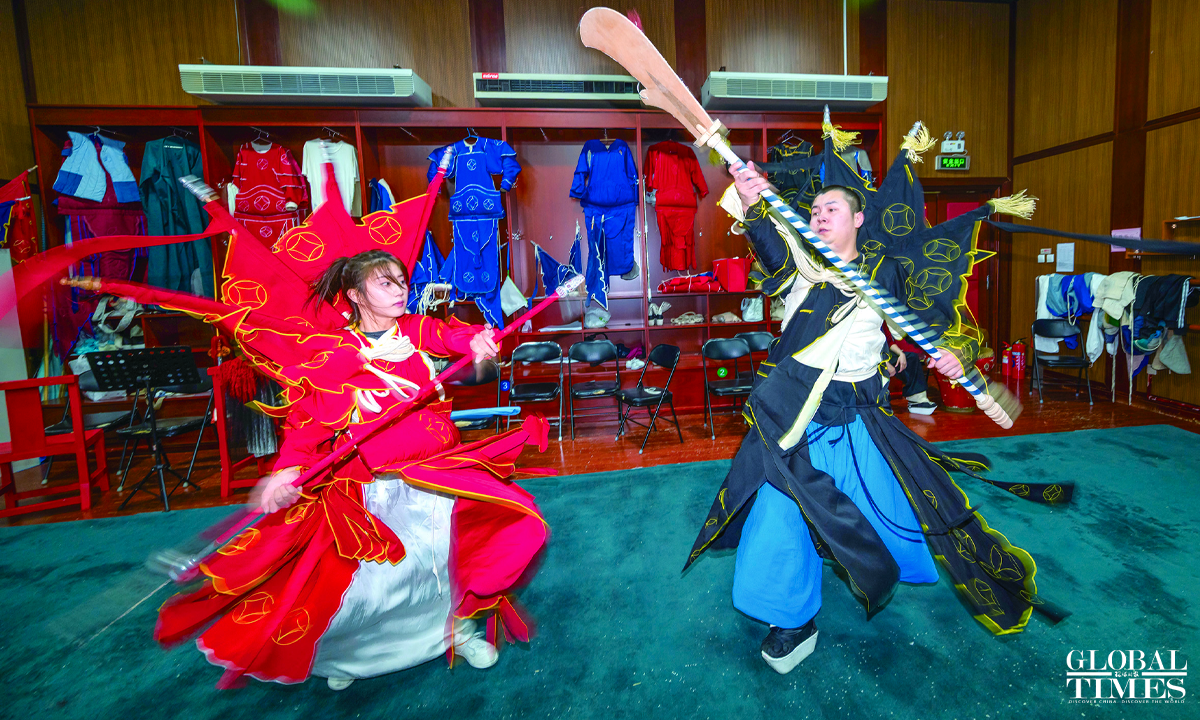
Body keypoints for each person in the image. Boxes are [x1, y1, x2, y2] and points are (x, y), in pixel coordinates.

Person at [685, 164, 1052, 675]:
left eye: (830, 209)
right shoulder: (801, 264)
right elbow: (771, 245)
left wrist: (946, 357)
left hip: (860, 415)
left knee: (878, 509)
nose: (818, 216)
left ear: (858, 219)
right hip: (795, 417)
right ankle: (791, 619)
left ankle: (862, 560)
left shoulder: (886, 272)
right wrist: (751, 204)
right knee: (779, 510)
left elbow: (923, 328)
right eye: (813, 210)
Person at [152, 249, 550, 690]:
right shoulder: (335, 353)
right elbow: (308, 423)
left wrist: (477, 341)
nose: (400, 290)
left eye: (402, 280)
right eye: (386, 283)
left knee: (440, 564)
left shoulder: (415, 331)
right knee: (376, 581)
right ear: (356, 295)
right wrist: (286, 471)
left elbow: (453, 336)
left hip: (433, 479)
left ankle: (456, 632)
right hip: (370, 489)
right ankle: (352, 656)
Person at [885, 341, 937, 415]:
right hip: (869, 357)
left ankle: (917, 397)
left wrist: (901, 354)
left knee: (911, 357)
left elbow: (888, 340)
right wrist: (884, 362)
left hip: (883, 351)